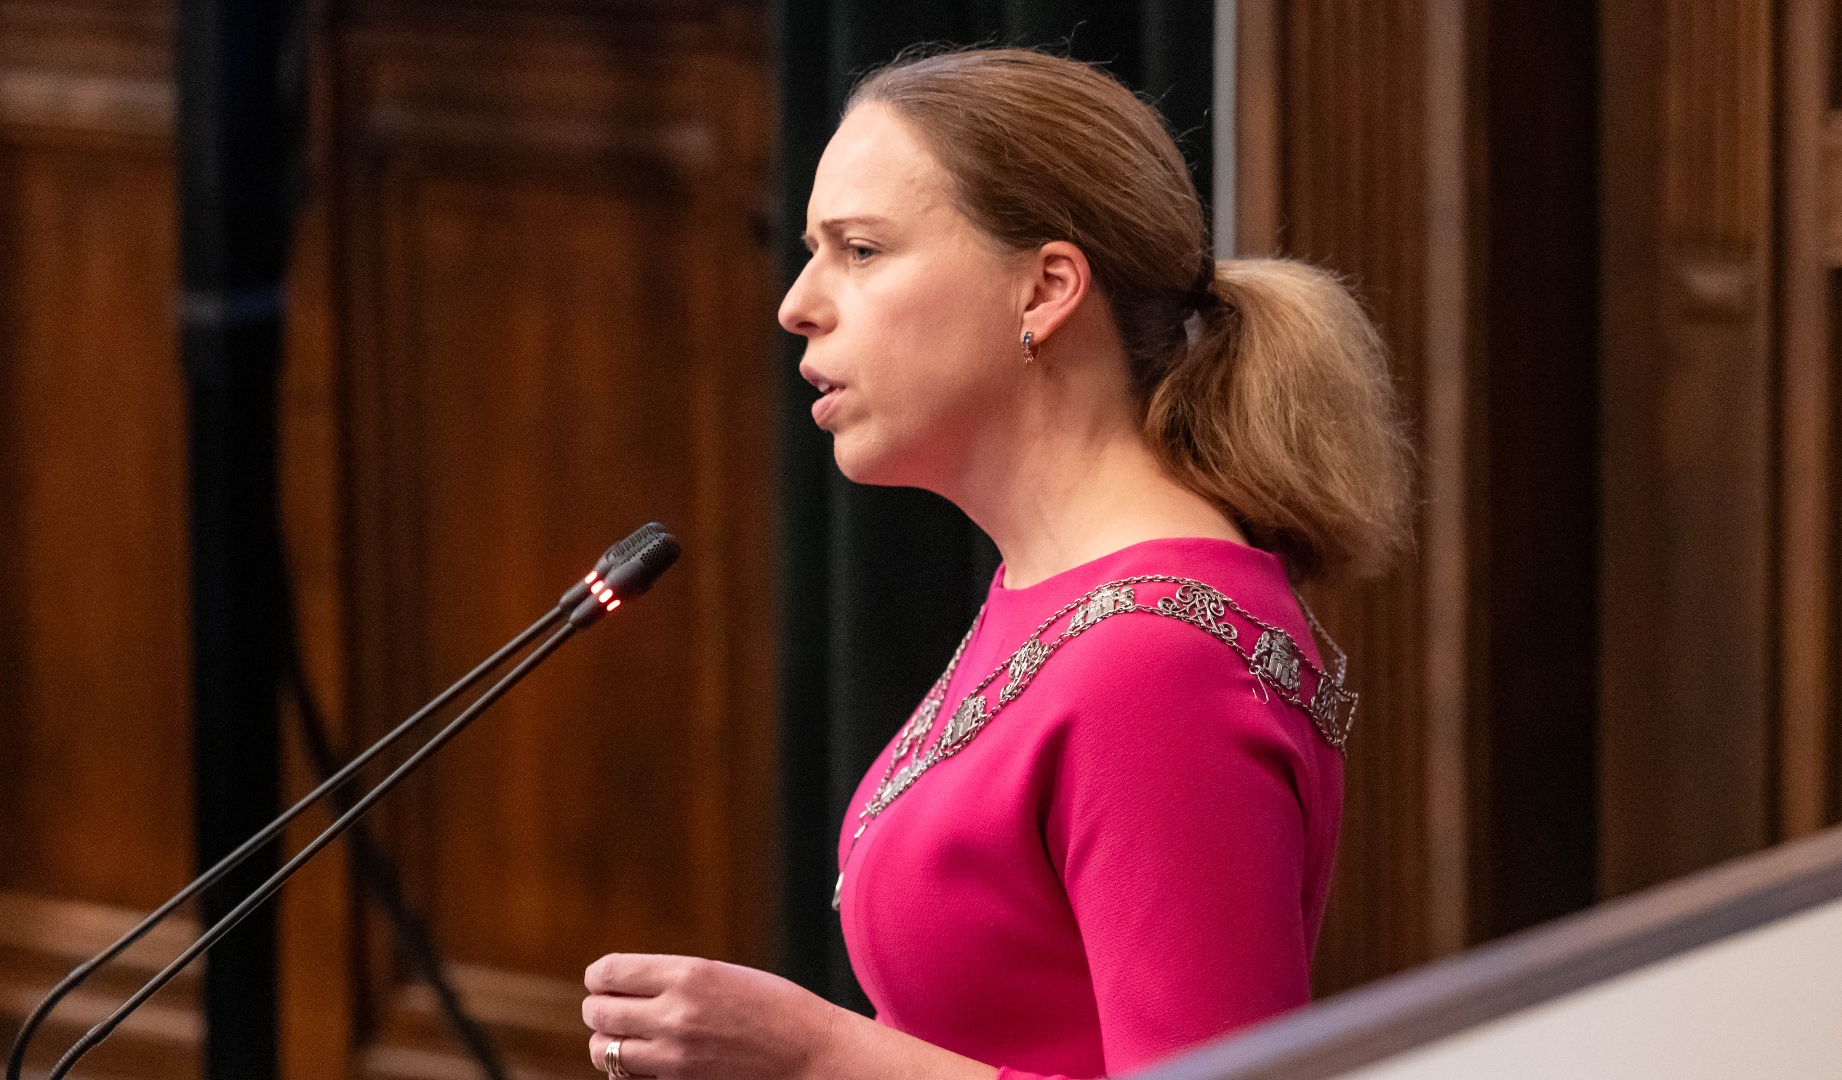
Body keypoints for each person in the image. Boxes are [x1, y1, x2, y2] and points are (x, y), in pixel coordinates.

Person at [581, 46, 1411, 1080]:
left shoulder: (1160, 662)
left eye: (862, 250)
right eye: (812, 249)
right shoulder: (1058, 586)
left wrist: (815, 1058)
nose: (799, 302)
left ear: (1046, 287)